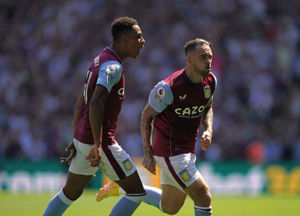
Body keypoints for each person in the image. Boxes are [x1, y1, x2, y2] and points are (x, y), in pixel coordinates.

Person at [43, 16, 147, 216]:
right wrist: (98, 144)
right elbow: (96, 102)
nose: (143, 41)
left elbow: (81, 102)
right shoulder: (113, 67)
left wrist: (76, 137)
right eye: (139, 37)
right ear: (125, 39)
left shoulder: (99, 59)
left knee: (69, 194)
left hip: (83, 138)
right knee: (136, 193)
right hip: (99, 142)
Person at [140, 38, 216, 215]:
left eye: (210, 57)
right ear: (189, 60)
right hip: (171, 152)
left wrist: (209, 130)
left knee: (170, 208)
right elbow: (146, 116)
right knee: (203, 197)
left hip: (187, 151)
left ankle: (127, 187)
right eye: (203, 57)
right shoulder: (168, 88)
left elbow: (208, 108)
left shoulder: (210, 81)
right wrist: (147, 153)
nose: (209, 61)